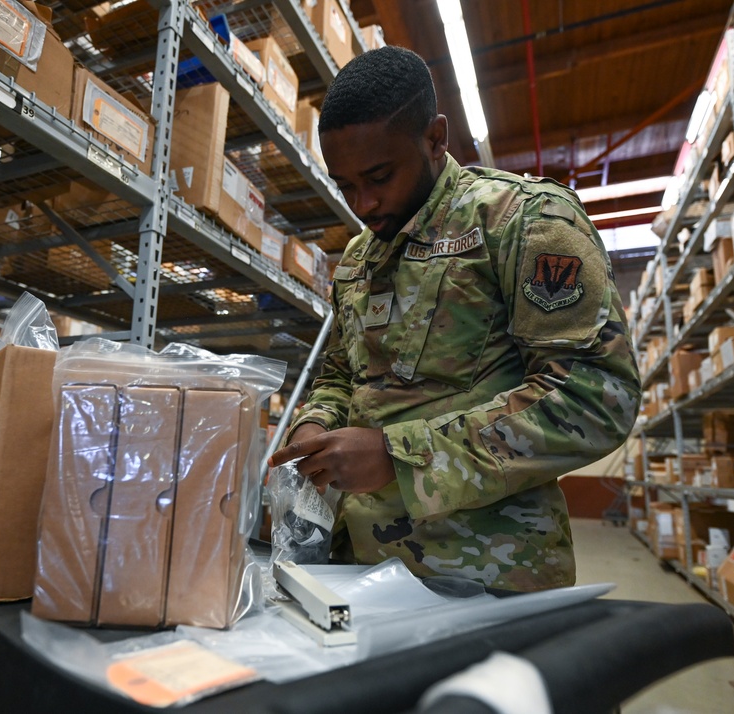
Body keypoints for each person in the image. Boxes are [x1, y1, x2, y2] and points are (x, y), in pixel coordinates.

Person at [268, 46, 641, 592]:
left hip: (487, 575)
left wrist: (399, 458)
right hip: (359, 571)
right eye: (345, 185)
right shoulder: (358, 259)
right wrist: (315, 424)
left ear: (435, 138)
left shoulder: (523, 220)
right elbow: (340, 377)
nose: (364, 204)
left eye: (379, 176)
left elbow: (595, 395)